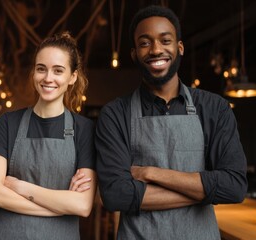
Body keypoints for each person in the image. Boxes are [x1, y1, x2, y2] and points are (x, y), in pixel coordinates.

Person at [95, 5, 247, 240]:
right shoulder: (115, 114)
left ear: (179, 47)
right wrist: (203, 192)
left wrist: (151, 173)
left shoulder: (214, 108)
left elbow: (234, 186)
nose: (156, 50)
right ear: (134, 53)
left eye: (165, 40)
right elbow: (116, 195)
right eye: (145, 43)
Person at [0, 32, 96, 240]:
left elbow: (82, 205)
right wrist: (59, 207)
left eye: (58, 71)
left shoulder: (85, 130)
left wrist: (20, 186)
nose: (47, 78)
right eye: (41, 69)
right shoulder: (8, 124)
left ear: (72, 77)